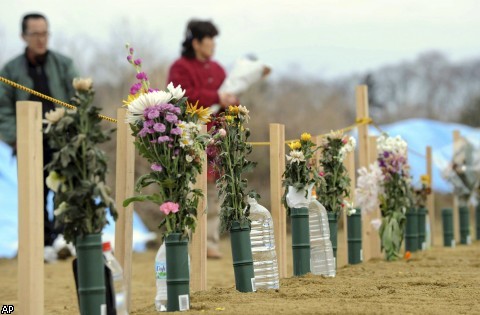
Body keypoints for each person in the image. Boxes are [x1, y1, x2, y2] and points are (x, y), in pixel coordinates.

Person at [0, 13, 79, 248]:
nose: (41, 39)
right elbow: (3, 109)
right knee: (34, 193)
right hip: (28, 140)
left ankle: (62, 239)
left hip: (62, 139)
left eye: (44, 33)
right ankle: (41, 242)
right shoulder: (11, 70)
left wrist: (74, 131)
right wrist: (16, 138)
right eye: (35, 34)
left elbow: (78, 100)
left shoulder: (64, 65)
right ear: (24, 36)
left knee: (65, 187)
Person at [167, 19, 238, 259]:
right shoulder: (180, 67)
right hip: (188, 138)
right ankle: (189, 240)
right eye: (210, 41)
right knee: (188, 189)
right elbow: (182, 97)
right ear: (197, 43)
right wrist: (216, 95)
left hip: (215, 139)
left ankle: (210, 242)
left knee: (214, 194)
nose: (214, 46)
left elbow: (229, 101)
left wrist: (231, 103)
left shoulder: (218, 69)